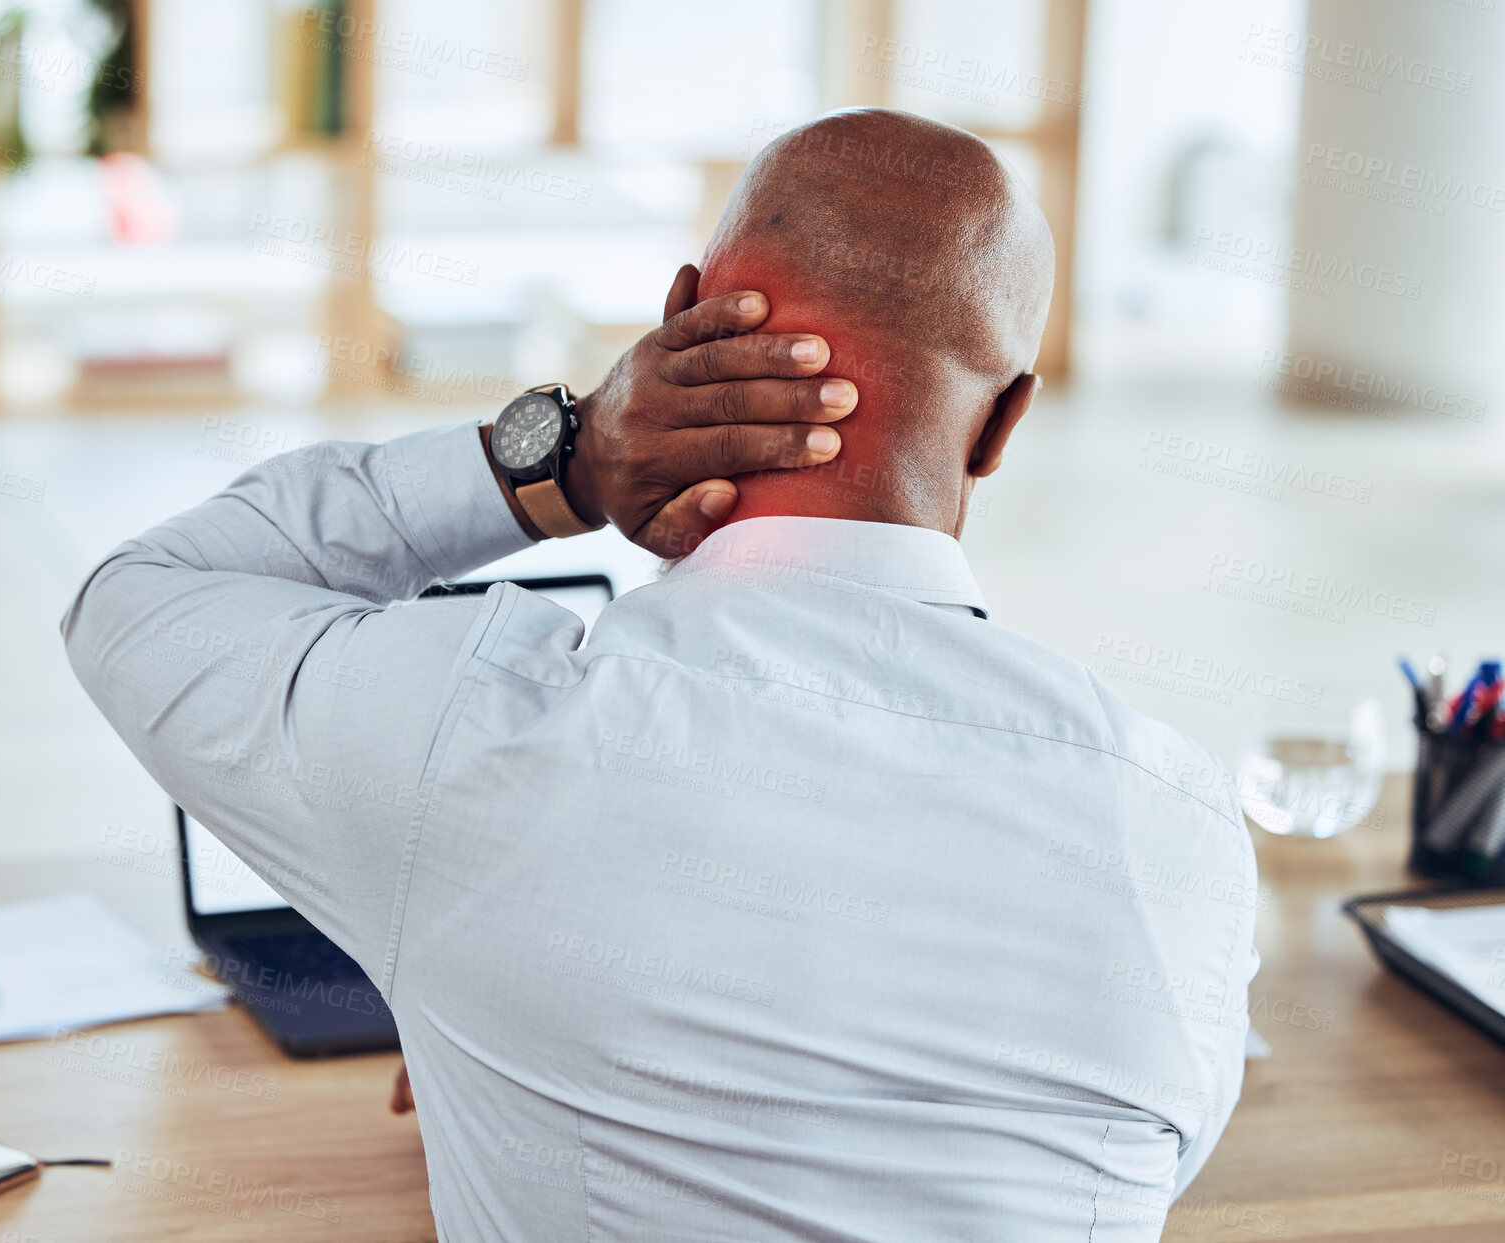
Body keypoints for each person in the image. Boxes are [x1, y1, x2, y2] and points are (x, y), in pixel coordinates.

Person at [63, 108, 1259, 1242]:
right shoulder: (1184, 828)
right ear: (1001, 426)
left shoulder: (468, 737)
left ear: (685, 312)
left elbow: (140, 593)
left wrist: (559, 460)